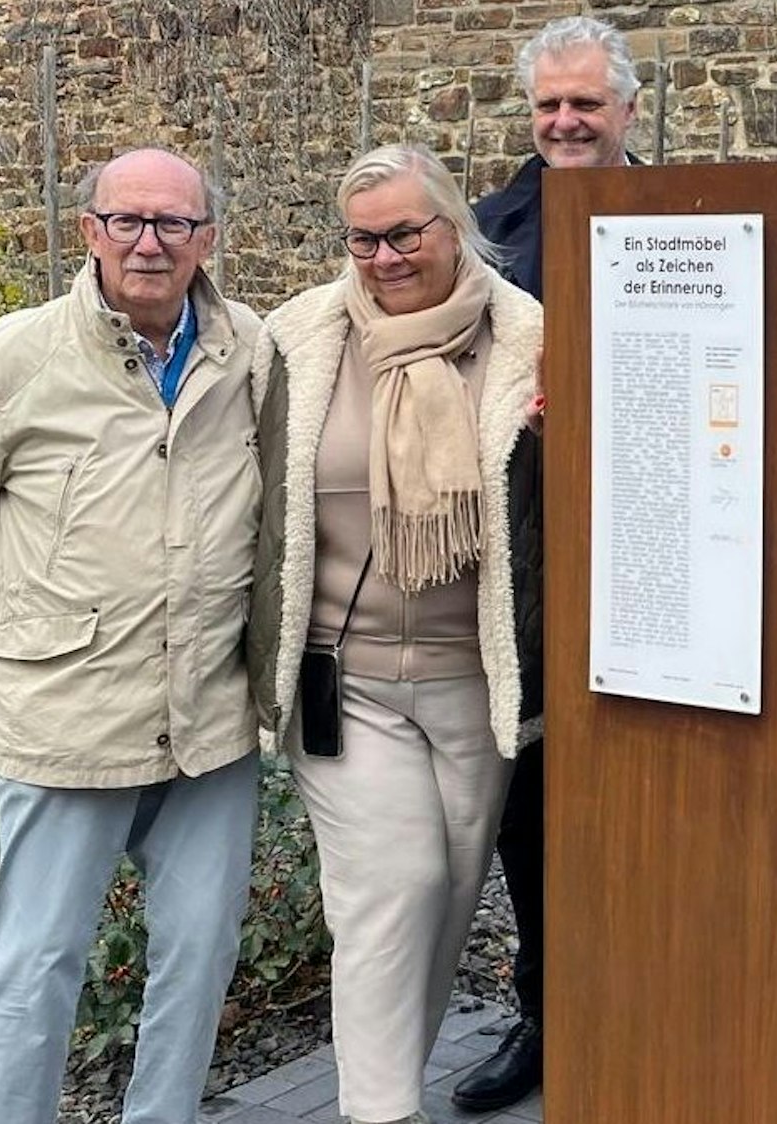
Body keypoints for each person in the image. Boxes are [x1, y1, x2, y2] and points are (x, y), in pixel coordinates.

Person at [0, 147, 263, 1124]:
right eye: (128, 220)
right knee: (38, 958)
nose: (150, 242)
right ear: (90, 230)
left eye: (173, 224)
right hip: (66, 716)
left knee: (197, 951)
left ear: (207, 239)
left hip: (209, 718)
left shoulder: (251, 354)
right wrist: (23, 628)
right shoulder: (14, 358)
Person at [245, 143, 542, 1124]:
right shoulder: (299, 340)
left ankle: (386, 1085)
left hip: (473, 677)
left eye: (402, 233)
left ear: (452, 226)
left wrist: (560, 432)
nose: (380, 257)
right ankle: (379, 1111)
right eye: (362, 239)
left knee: (446, 899)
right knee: (390, 889)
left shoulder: (531, 340)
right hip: (344, 674)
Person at [451, 14, 640, 1114]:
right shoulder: (484, 234)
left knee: (666, 785)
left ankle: (655, 997)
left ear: (625, 109)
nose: (563, 121)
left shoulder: (704, 216)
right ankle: (548, 1012)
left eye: (583, 103)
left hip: (668, 561)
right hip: (526, 569)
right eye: (547, 106)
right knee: (532, 802)